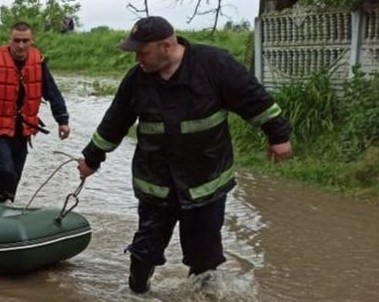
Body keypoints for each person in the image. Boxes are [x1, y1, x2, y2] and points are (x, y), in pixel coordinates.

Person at [77, 16, 293, 294]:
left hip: (206, 183)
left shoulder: (215, 65)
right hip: (156, 185)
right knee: (144, 251)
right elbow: (114, 123)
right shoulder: (137, 81)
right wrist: (91, 159)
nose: (137, 59)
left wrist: (278, 136)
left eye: (142, 52)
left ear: (167, 45)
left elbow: (254, 99)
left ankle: (201, 296)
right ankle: (137, 294)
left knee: (205, 257)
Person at [0, 21, 71, 204]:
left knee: (15, 175)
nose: (21, 45)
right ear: (10, 40)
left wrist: (62, 120)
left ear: (31, 41)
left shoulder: (38, 63)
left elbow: (52, 92)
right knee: (5, 171)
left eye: (25, 41)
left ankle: (3, 204)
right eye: (17, 41)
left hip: (22, 128)